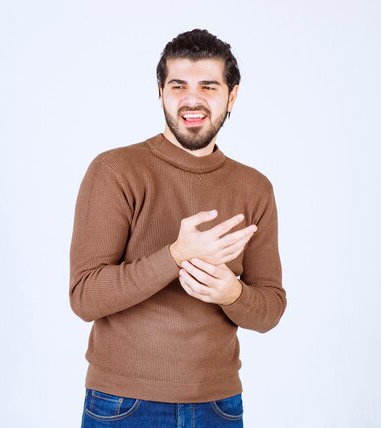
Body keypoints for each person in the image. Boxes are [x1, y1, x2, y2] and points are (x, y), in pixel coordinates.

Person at [69, 29, 286, 428]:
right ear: (160, 92)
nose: (192, 99)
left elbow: (270, 309)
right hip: (123, 404)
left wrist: (231, 292)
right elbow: (84, 298)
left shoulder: (254, 188)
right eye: (178, 85)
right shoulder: (116, 170)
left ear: (231, 96)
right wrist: (175, 255)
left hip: (218, 405)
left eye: (208, 86)